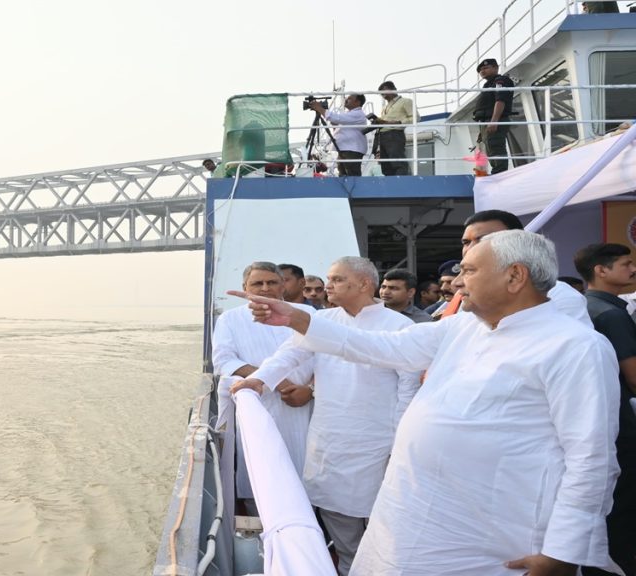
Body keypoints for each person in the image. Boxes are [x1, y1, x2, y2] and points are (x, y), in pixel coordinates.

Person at [231, 230, 620, 576]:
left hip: (495, 532)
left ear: (514, 276)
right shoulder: (464, 326)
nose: (455, 283)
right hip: (416, 513)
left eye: (469, 271)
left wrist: (562, 553)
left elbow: (591, 460)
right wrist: (297, 319)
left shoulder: (574, 347)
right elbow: (379, 346)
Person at [240, 257, 421, 576]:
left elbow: (408, 392)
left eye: (337, 279)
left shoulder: (399, 327)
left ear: (364, 284)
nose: (328, 286)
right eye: (328, 279)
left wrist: (402, 441)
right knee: (341, 524)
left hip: (380, 441)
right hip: (330, 438)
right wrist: (258, 380)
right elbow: (291, 354)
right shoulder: (322, 322)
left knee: (390, 523)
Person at [212, 262, 315, 509]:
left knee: (308, 471)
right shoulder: (230, 319)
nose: (265, 288)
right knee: (261, 468)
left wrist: (310, 390)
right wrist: (274, 380)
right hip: (259, 405)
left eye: (272, 282)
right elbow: (224, 361)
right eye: (258, 283)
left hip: (307, 405)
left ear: (283, 285)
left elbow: (329, 360)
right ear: (245, 287)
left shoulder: (306, 315)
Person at [575, 243, 636, 575]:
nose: (633, 269)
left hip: (599, 422)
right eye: (626, 264)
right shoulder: (611, 313)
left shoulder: (585, 307)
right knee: (622, 513)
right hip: (623, 425)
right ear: (601, 269)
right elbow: (633, 375)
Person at [458, 210, 592, 325]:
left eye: (484, 239)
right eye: (466, 242)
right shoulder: (467, 295)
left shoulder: (561, 295)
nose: (471, 248)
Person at [308, 94, 368, 177]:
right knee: (343, 175)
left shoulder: (358, 114)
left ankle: (355, 189)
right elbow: (336, 121)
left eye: (349, 99)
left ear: (357, 102)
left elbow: (337, 118)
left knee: (352, 175)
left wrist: (319, 108)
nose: (346, 100)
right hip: (345, 149)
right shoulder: (350, 114)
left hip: (351, 150)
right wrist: (322, 111)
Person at [474, 58, 515, 174]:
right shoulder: (488, 85)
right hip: (487, 122)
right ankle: (497, 172)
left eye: (486, 68)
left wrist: (494, 121)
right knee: (491, 150)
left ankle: (499, 174)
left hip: (495, 120)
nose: (482, 71)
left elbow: (500, 100)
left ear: (496, 68)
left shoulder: (500, 81)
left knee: (496, 147)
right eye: (480, 70)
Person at [370, 81, 414, 176]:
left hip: (394, 134)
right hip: (382, 135)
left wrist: (398, 122)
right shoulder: (385, 107)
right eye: (381, 93)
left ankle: (400, 183)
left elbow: (415, 117)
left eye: (385, 90)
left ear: (394, 89)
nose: (383, 94)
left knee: (398, 161)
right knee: (386, 165)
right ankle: (390, 184)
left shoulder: (405, 102)